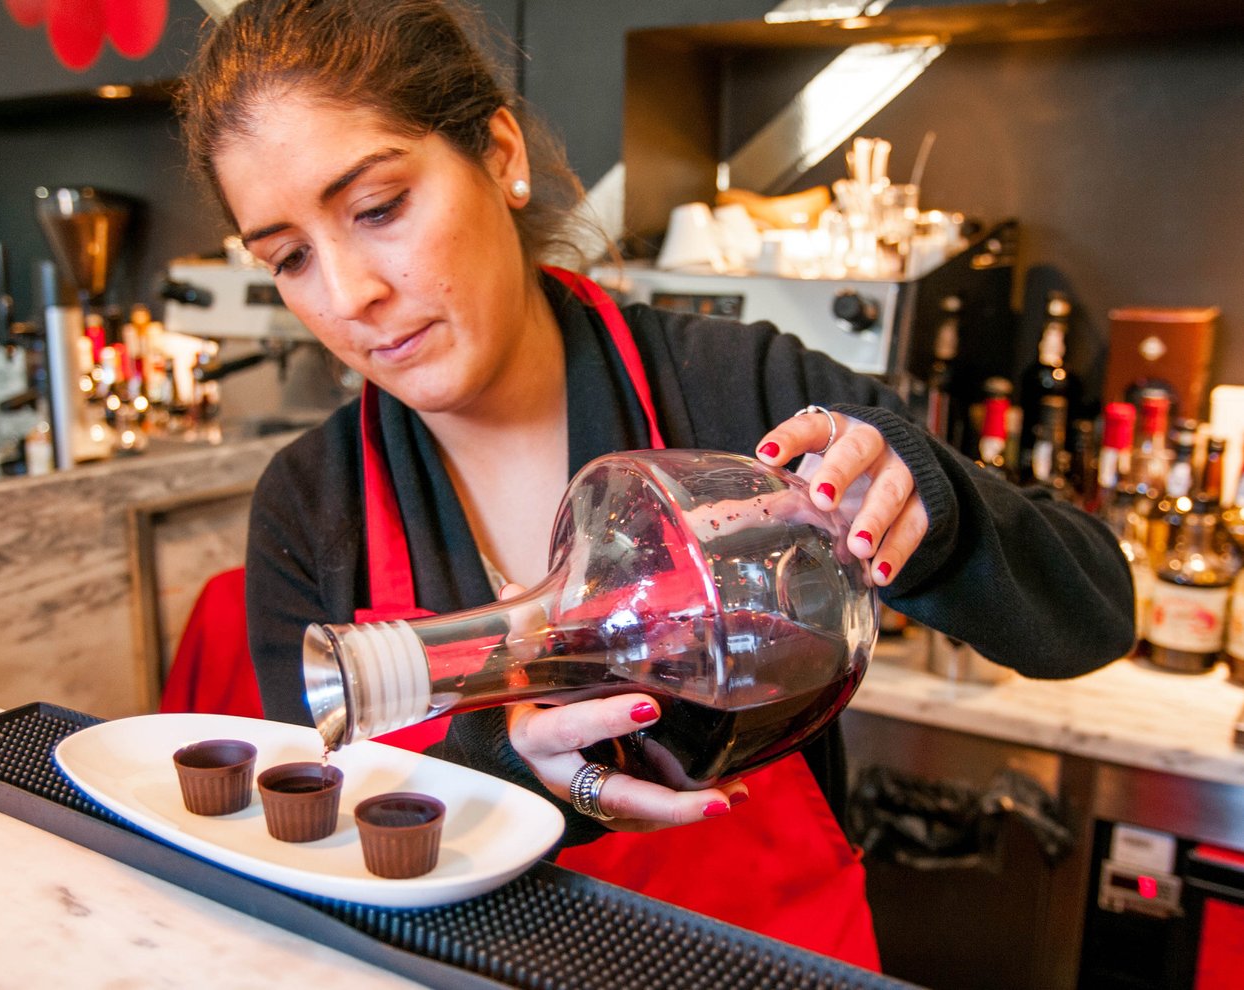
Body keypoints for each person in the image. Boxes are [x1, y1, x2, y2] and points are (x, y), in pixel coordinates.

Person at [177, 0, 1134, 966]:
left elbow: (1094, 611)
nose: (346, 297)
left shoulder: (737, 391)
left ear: (500, 152)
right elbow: (317, 842)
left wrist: (935, 505)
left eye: (378, 209)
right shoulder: (312, 504)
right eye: (290, 257)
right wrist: (514, 769)